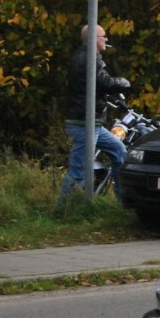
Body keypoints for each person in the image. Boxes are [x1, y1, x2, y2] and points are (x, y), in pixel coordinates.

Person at [59, 25, 131, 200]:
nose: (106, 40)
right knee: (78, 170)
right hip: (84, 123)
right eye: (103, 36)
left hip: (91, 122)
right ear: (93, 39)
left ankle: (123, 200)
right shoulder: (90, 59)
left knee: (119, 151)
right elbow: (105, 83)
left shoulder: (82, 57)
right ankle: (61, 210)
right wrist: (124, 82)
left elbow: (93, 86)